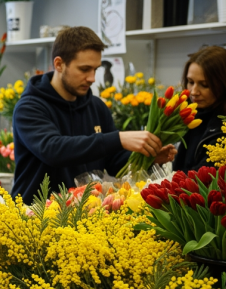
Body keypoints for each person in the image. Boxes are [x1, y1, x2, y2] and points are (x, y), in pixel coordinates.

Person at [12, 26, 176, 202]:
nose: (92, 78)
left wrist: (148, 157)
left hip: (85, 213)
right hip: (33, 216)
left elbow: (113, 163)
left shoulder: (97, 107)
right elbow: (53, 150)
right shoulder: (29, 107)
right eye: (84, 69)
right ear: (59, 64)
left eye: (95, 69)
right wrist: (119, 138)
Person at [173, 46, 226, 172]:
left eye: (205, 85)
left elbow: (205, 177)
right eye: (190, 82)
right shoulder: (192, 113)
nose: (194, 92)